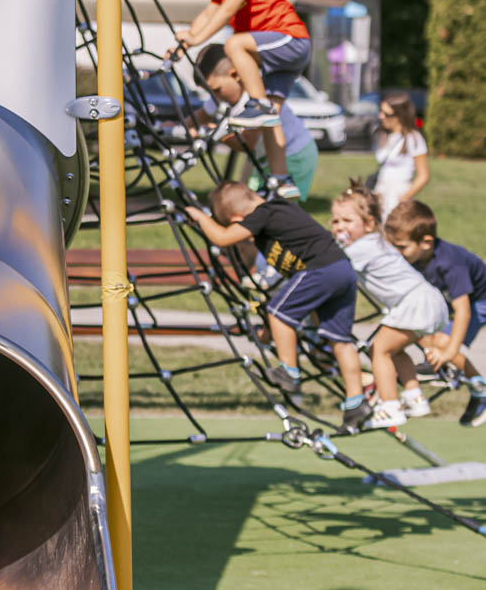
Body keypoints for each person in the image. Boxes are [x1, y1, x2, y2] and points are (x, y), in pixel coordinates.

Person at [183, 181, 372, 431]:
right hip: (342, 270)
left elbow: (222, 238)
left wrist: (199, 216)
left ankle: (289, 372)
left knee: (279, 313)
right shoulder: (276, 213)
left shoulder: (264, 212)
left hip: (320, 270)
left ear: (239, 219)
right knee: (340, 341)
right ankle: (356, 402)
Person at [169, 0, 311, 193]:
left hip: (290, 39)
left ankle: (258, 104)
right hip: (278, 55)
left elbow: (226, 11)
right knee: (271, 121)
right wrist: (186, 41)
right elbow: (210, 11)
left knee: (234, 45)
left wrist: (198, 38)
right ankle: (281, 179)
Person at [329, 183, 449, 430]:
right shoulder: (377, 242)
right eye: (335, 221)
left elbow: (331, 266)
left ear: (369, 224)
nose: (339, 227)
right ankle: (414, 397)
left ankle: (390, 407)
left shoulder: (361, 247)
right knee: (394, 350)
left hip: (414, 302)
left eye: (347, 221)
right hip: (428, 299)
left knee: (379, 350)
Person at [384, 199, 486, 427]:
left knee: (442, 342)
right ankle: (441, 365)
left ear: (426, 243)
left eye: (401, 247)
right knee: (421, 329)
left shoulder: (451, 263)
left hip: (479, 301)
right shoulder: (413, 256)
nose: (396, 253)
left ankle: (480, 389)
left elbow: (463, 311)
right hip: (446, 298)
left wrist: (449, 351)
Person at [194, 42, 319, 202]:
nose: (216, 97)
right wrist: (177, 126)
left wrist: (213, 132)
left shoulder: (255, 99)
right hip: (263, 159)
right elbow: (199, 118)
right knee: (248, 203)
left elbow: (247, 142)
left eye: (217, 90)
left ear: (235, 75)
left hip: (294, 153)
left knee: (275, 207)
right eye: (210, 92)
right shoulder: (221, 98)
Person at [371, 91, 429, 221]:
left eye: (387, 114)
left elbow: (423, 176)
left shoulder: (413, 138)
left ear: (400, 115)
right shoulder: (385, 135)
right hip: (380, 190)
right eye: (381, 111)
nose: (381, 116)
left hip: (398, 193)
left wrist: (404, 198)